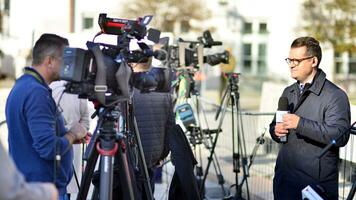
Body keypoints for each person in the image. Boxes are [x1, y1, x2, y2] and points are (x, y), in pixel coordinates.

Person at [5, 33, 87, 200]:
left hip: (32, 184)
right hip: (41, 189)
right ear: (49, 61)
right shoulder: (36, 93)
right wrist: (72, 135)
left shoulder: (24, 84)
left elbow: (33, 137)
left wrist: (67, 137)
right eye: (65, 60)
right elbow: (49, 148)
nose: (68, 66)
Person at [269, 36, 350, 199]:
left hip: (315, 187)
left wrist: (300, 124)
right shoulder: (288, 91)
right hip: (284, 183)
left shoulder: (335, 96)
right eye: (289, 60)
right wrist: (275, 131)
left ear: (313, 61)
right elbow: (274, 126)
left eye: (296, 60)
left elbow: (340, 135)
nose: (291, 64)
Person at [130, 50, 175, 199]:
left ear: (131, 62)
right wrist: (163, 154)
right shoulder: (163, 91)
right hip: (152, 157)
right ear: (149, 62)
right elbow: (170, 127)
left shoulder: (126, 91)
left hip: (129, 159)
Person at [50, 80, 90, 199]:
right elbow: (85, 122)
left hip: (70, 152)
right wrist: (76, 133)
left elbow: (85, 121)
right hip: (55, 151)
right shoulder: (45, 89)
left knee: (63, 187)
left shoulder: (78, 89)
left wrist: (76, 133)